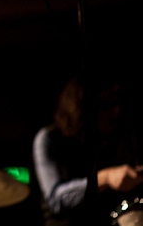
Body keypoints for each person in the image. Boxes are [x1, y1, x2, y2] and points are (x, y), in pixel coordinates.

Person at [32, 58, 143, 226]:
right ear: (82, 109)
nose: (115, 112)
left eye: (117, 104)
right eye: (105, 105)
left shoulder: (121, 137)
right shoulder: (49, 139)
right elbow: (56, 200)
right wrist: (105, 178)